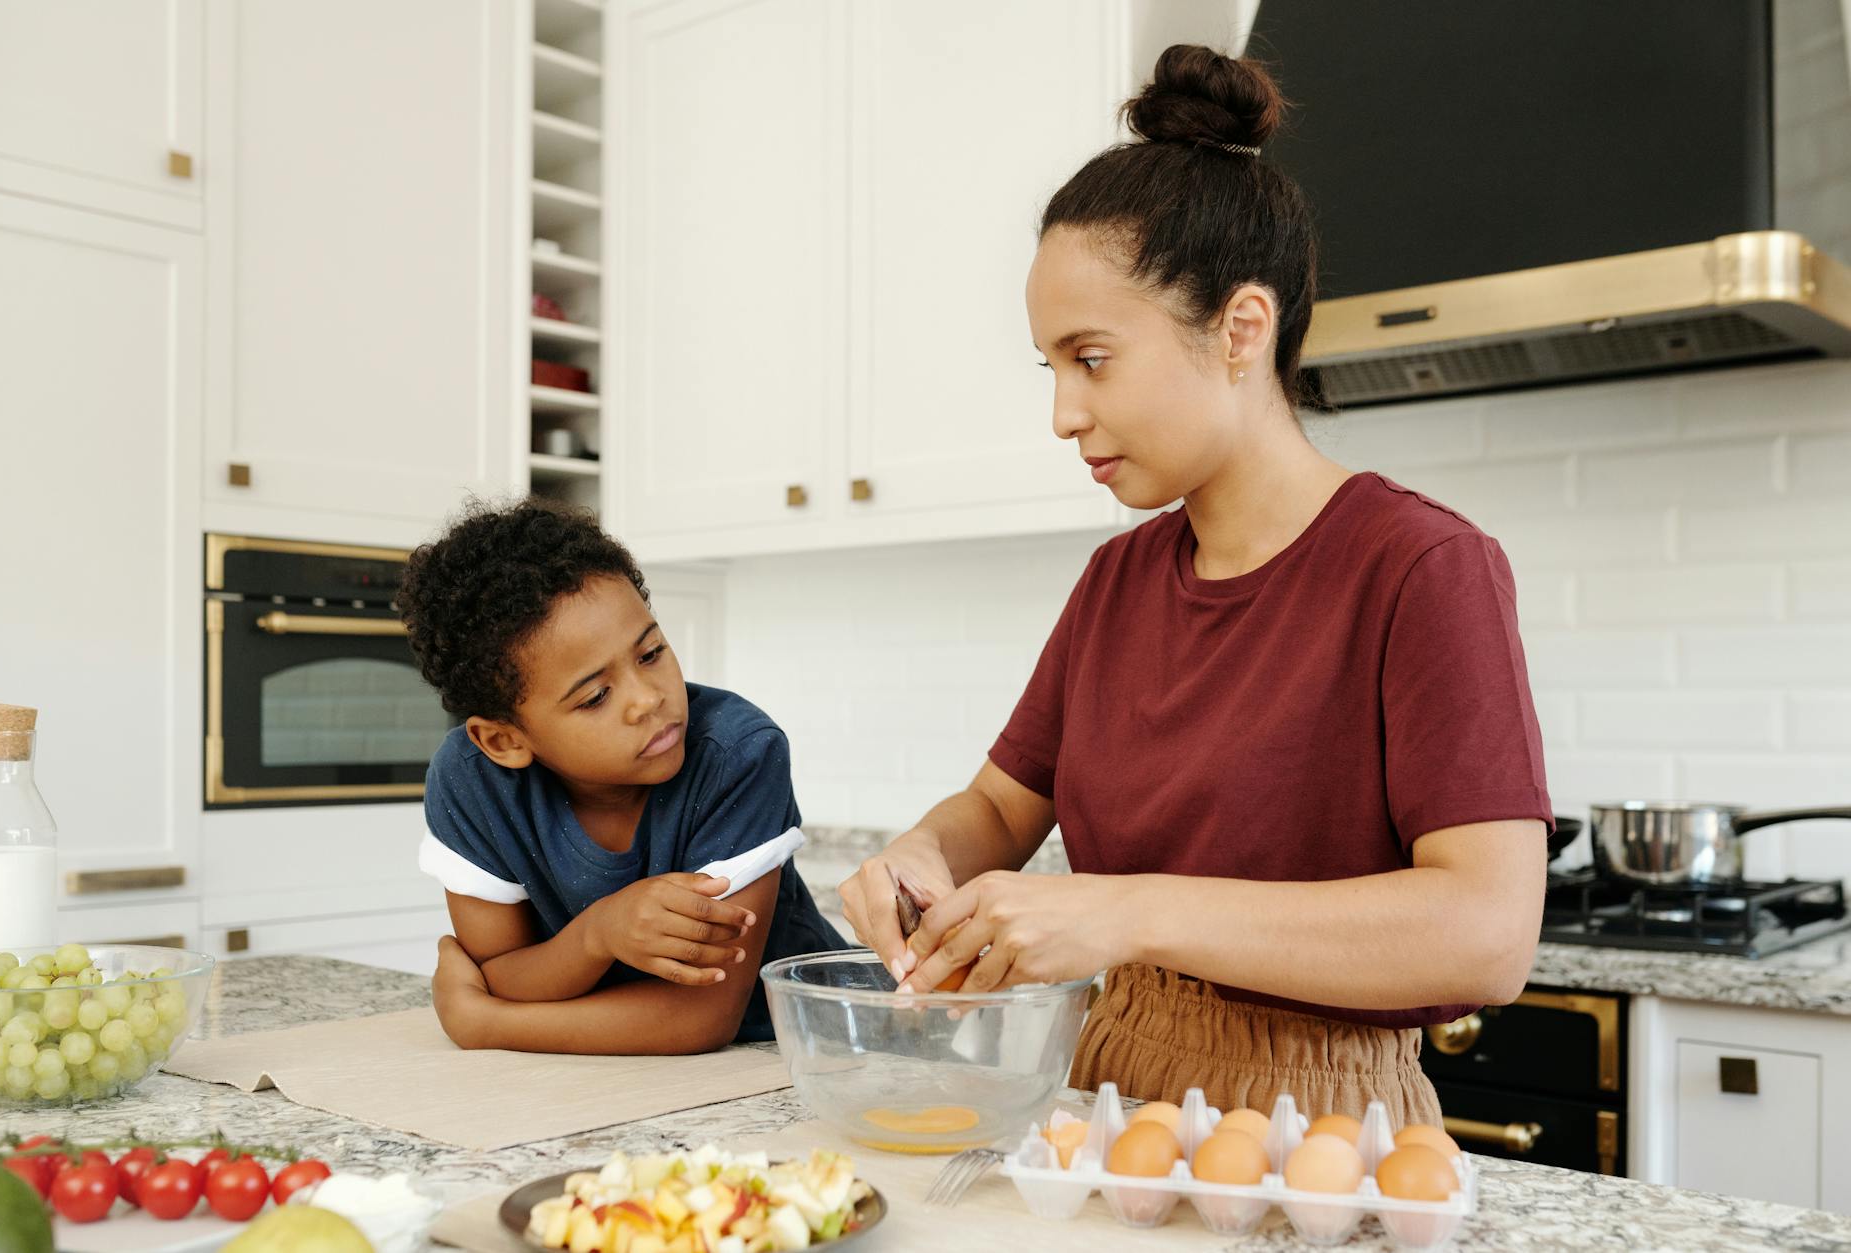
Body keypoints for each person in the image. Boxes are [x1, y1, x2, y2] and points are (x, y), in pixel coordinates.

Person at [838, 45, 1551, 1125]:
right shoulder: (1116, 579)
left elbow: (1487, 933)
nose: (1062, 413)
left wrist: (1127, 912)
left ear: (1239, 330)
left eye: (1091, 358)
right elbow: (995, 804)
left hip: (1316, 1119)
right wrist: (918, 855)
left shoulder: (1418, 568)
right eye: (1051, 369)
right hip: (1099, 1093)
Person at [402, 500, 845, 1053]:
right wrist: (598, 934)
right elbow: (499, 973)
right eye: (595, 697)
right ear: (505, 741)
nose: (648, 699)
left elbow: (703, 1019)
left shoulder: (736, 754)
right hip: (602, 1065)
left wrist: (484, 1024)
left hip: (789, 1052)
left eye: (652, 652)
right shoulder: (473, 782)